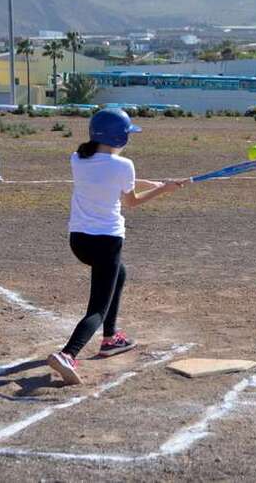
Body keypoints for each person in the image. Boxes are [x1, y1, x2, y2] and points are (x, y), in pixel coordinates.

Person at [47, 108, 186, 385]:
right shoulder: (124, 166)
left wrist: (156, 182)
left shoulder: (78, 158)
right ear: (118, 136)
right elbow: (131, 201)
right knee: (97, 308)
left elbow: (112, 178)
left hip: (79, 241)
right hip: (106, 242)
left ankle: (110, 339)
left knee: (118, 274)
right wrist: (164, 190)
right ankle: (68, 354)